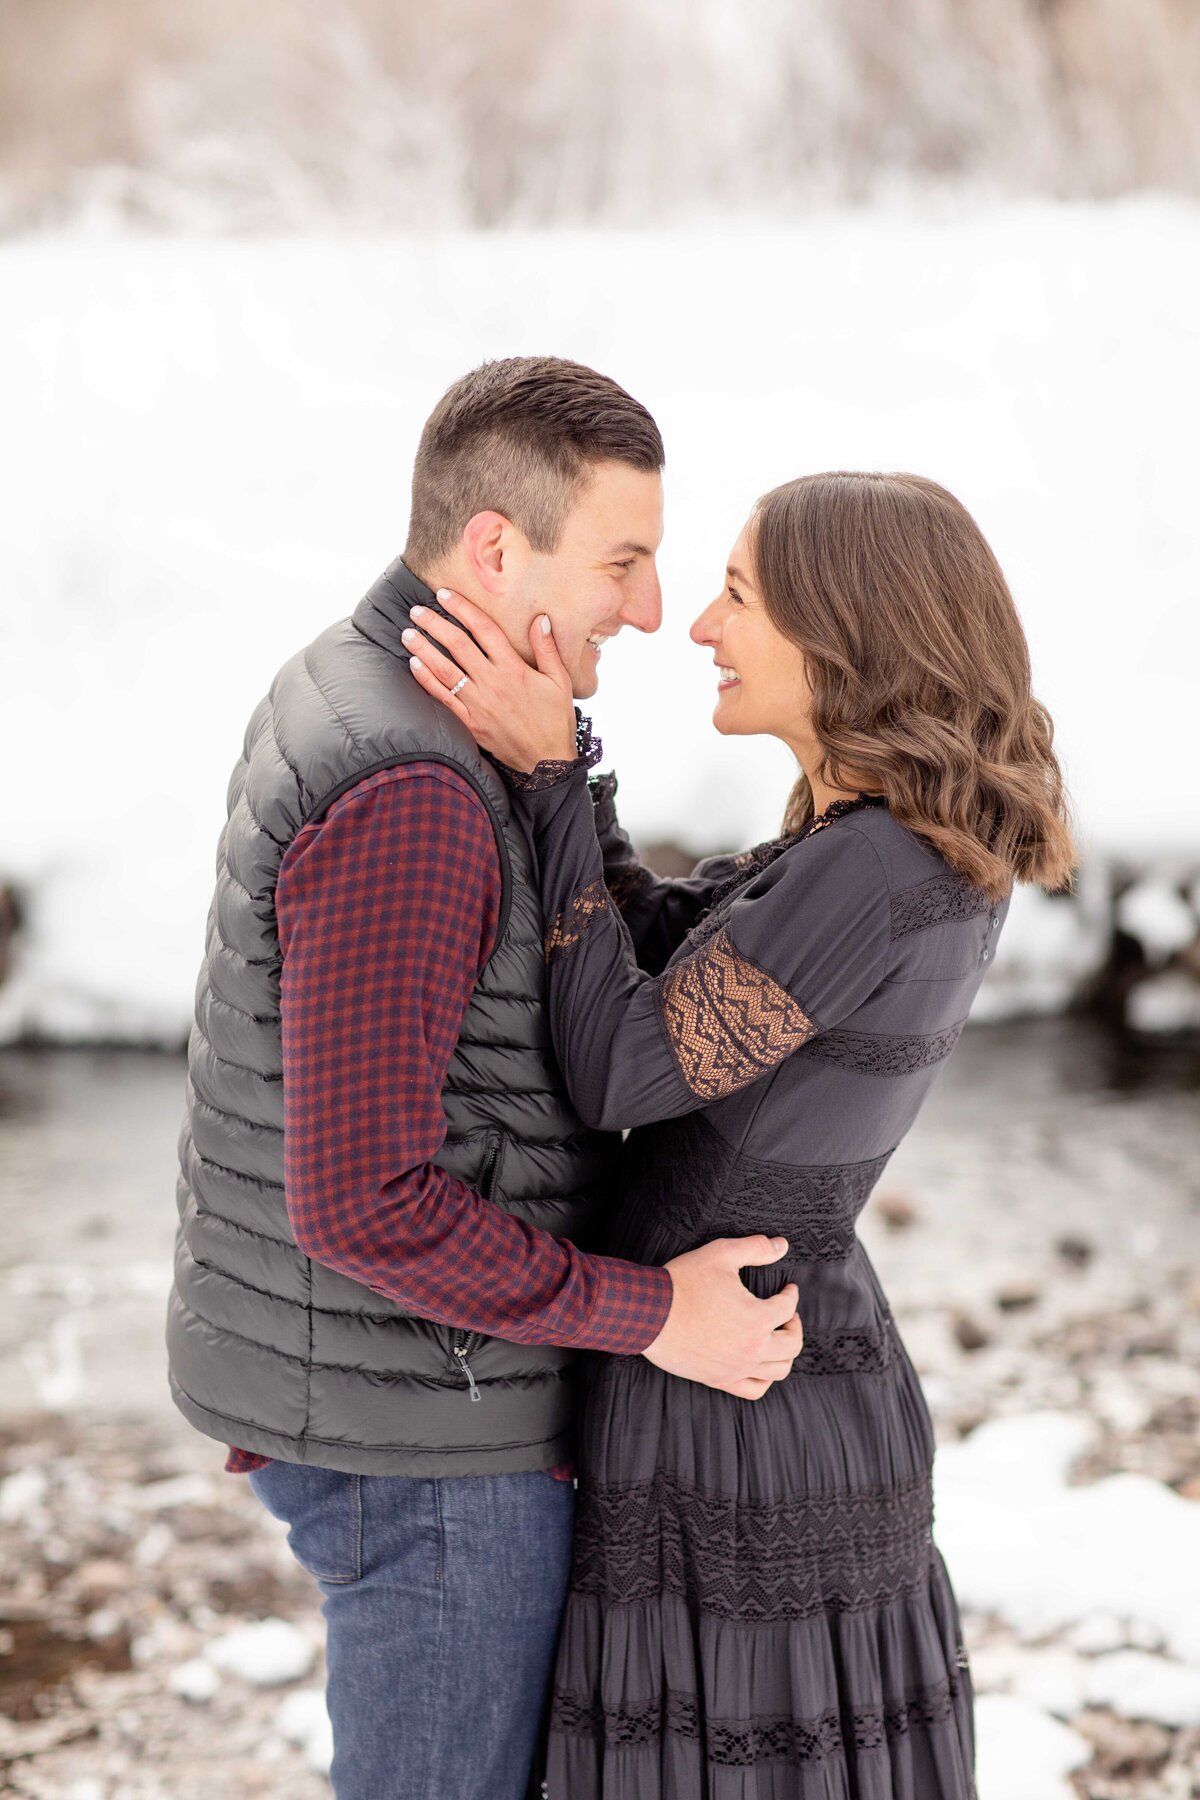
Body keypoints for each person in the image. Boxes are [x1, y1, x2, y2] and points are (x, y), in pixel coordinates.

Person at [165, 356, 806, 1800]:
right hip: (434, 1447)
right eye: (624, 563)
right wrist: (656, 1317)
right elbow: (364, 1202)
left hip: (404, 1401)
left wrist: (558, 775)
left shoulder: (378, 685)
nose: (649, 610)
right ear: (495, 550)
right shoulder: (411, 789)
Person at [408, 469, 1076, 1799]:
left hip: (737, 1394)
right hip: (771, 1360)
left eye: (739, 595)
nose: (702, 626)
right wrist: (572, 760)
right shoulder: (888, 839)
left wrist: (546, 780)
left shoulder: (877, 865)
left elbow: (620, 1062)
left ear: (845, 632)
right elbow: (659, 950)